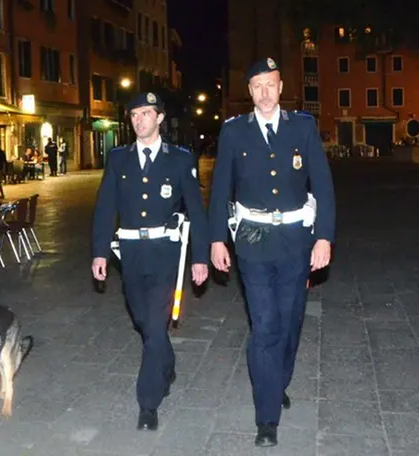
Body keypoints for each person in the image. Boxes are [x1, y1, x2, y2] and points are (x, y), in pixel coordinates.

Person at [207, 57, 335, 448]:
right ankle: (267, 417)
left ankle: (276, 380)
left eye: (271, 84)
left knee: (290, 323)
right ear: (249, 92)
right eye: (257, 85)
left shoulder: (303, 127)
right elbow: (220, 189)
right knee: (264, 326)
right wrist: (216, 239)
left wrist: (324, 237)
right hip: (253, 241)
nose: (264, 92)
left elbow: (323, 184)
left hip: (297, 241)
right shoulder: (233, 133)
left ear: (281, 88)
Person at [91, 91, 209, 431]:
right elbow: (104, 209)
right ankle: (167, 363)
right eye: (134, 115)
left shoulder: (180, 159)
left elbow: (196, 213)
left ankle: (148, 402)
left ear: (159, 118)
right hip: (129, 253)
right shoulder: (118, 159)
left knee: (155, 325)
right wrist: (99, 252)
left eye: (146, 113)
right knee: (145, 323)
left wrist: (200, 258)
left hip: (166, 253)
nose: (139, 120)